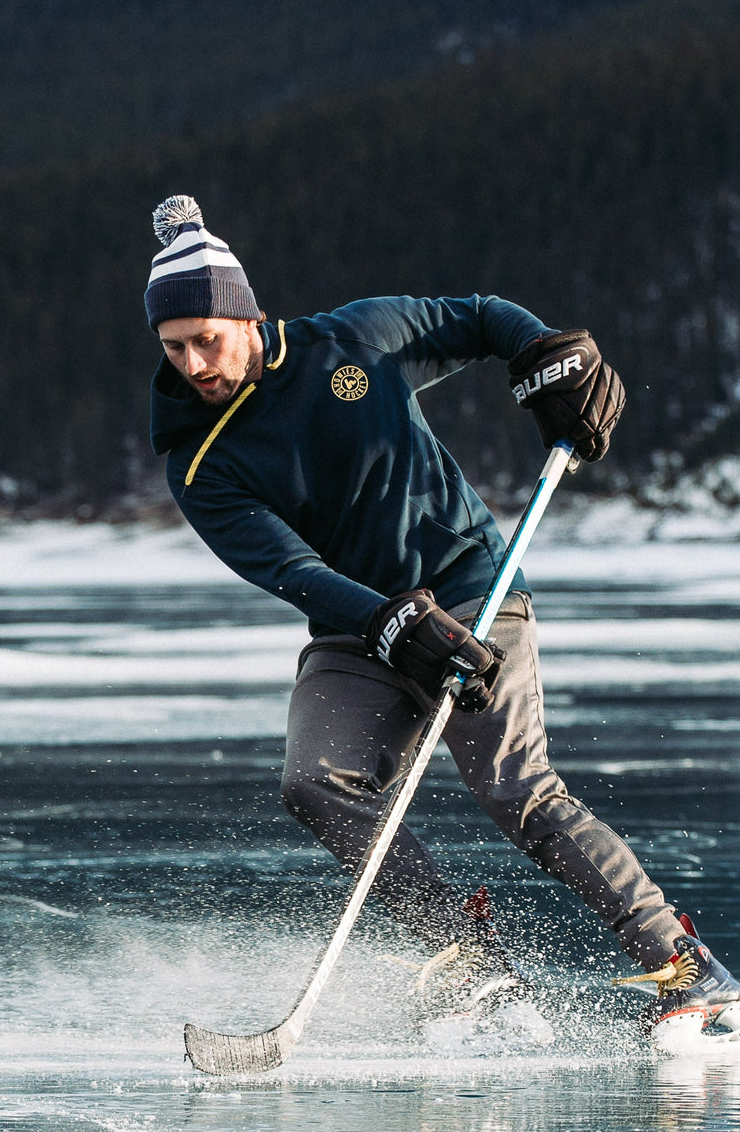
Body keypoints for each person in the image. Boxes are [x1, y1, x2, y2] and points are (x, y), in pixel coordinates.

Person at [143, 193, 739, 1039]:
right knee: (315, 781)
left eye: (209, 337)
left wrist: (544, 356)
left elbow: (482, 318)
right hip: (356, 626)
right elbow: (293, 569)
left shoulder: (357, 338)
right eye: (176, 346)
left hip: (468, 587)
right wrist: (389, 624)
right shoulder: (198, 464)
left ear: (246, 314)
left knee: (517, 790)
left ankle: (692, 969)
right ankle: (468, 960)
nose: (197, 362)